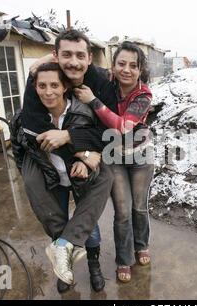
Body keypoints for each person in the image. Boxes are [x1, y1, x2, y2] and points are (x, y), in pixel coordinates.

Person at [11, 29, 117, 293]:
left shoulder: (90, 99)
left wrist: (86, 151)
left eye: (80, 55)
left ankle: (93, 263)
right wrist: (30, 169)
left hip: (80, 172)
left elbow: (112, 133)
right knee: (55, 217)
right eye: (66, 55)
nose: (73, 61)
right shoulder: (32, 106)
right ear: (56, 56)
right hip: (52, 175)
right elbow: (26, 141)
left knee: (86, 222)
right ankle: (64, 260)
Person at [76, 41, 154, 283]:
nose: (127, 70)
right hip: (113, 157)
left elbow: (123, 127)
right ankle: (123, 258)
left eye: (133, 65)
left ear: (141, 69)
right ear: (113, 65)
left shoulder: (144, 94)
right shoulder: (108, 83)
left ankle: (141, 245)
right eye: (122, 63)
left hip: (141, 156)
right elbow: (79, 65)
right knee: (122, 211)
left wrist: (93, 101)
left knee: (139, 207)